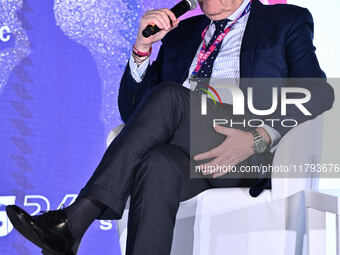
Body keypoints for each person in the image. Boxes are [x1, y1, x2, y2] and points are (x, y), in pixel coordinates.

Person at [6, 0, 334, 254]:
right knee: (157, 163)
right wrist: (142, 49)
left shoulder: (285, 21)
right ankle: (76, 225)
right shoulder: (182, 34)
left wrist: (259, 138)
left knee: (171, 96)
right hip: (185, 148)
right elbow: (136, 113)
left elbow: (319, 93)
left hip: (242, 150)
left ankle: (76, 219)